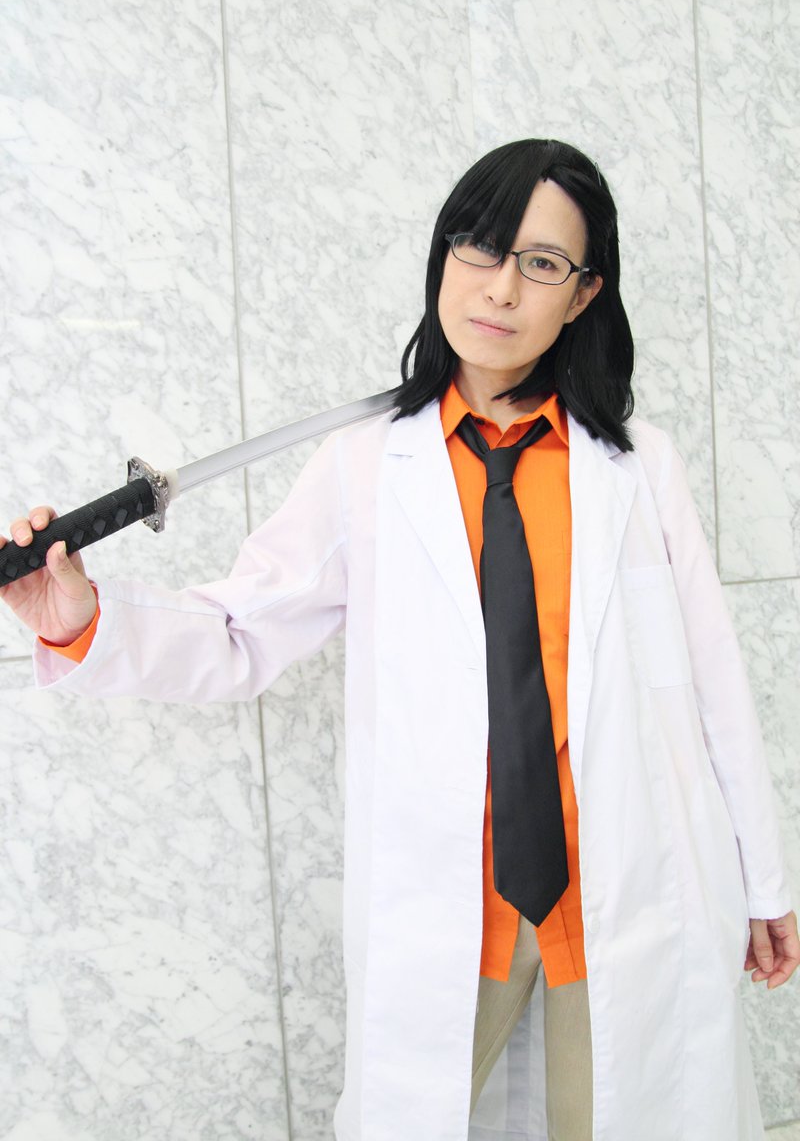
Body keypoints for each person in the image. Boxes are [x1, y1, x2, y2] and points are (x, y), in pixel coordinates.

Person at [2, 138, 797, 1141]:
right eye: (480, 247)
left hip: (630, 894)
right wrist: (83, 621)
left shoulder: (640, 468)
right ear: (443, 255)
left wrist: (764, 881)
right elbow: (243, 629)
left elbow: (712, 681)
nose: (500, 287)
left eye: (541, 263)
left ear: (584, 294)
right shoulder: (366, 465)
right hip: (451, 911)